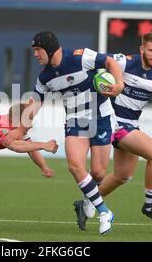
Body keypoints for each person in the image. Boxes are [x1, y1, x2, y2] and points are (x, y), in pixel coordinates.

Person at [75, 32, 152, 228]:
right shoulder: (125, 62)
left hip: (131, 124)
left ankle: (86, 201)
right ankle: (150, 205)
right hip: (113, 122)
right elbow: (102, 61)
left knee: (123, 175)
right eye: (151, 50)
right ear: (142, 49)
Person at [30, 31, 124, 234]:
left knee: (99, 172)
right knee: (75, 165)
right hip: (76, 120)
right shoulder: (45, 77)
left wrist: (119, 84)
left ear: (50, 49)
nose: (36, 54)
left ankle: (85, 201)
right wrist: (20, 127)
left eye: (38, 50)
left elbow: (110, 62)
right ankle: (105, 212)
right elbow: (35, 103)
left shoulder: (80, 57)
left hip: (101, 116)